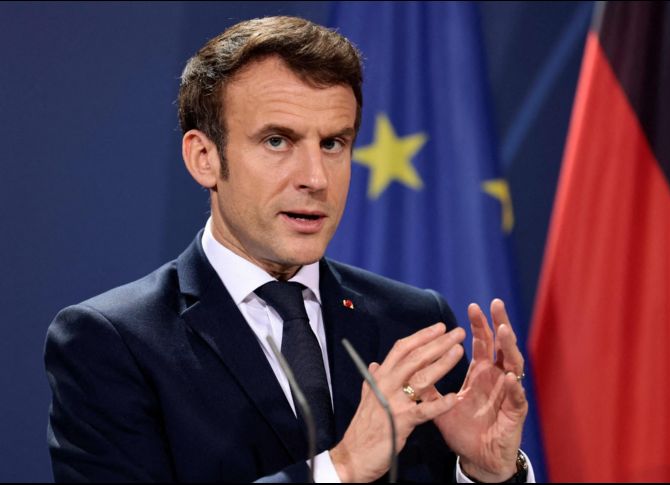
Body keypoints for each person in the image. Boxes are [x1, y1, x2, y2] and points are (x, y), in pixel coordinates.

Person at [44, 16, 531, 482]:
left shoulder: (413, 323)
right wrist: (340, 469)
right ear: (204, 158)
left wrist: (485, 474)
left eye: (333, 143)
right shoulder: (113, 342)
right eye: (278, 141)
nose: (316, 179)